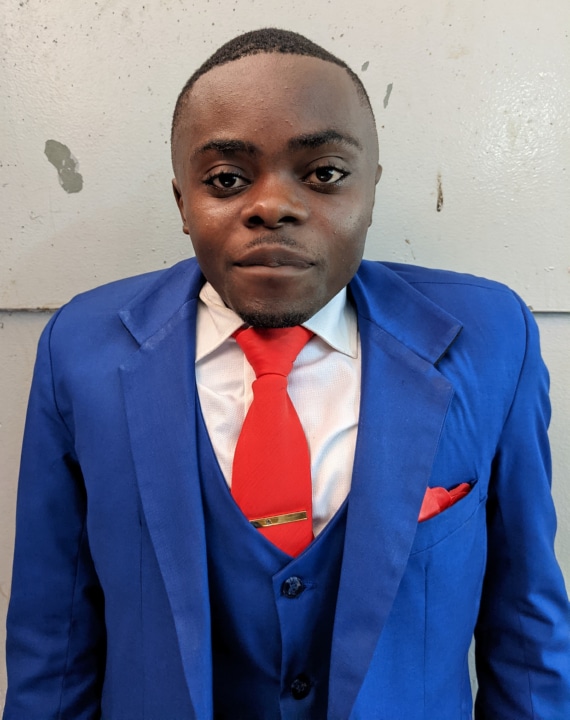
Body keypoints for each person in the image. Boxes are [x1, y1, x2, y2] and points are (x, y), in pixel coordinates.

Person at [3, 27, 570, 720]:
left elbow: (528, 627)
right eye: (226, 179)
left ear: (370, 190)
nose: (272, 206)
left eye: (324, 173)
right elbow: (53, 641)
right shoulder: (81, 351)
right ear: (182, 201)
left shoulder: (490, 339)